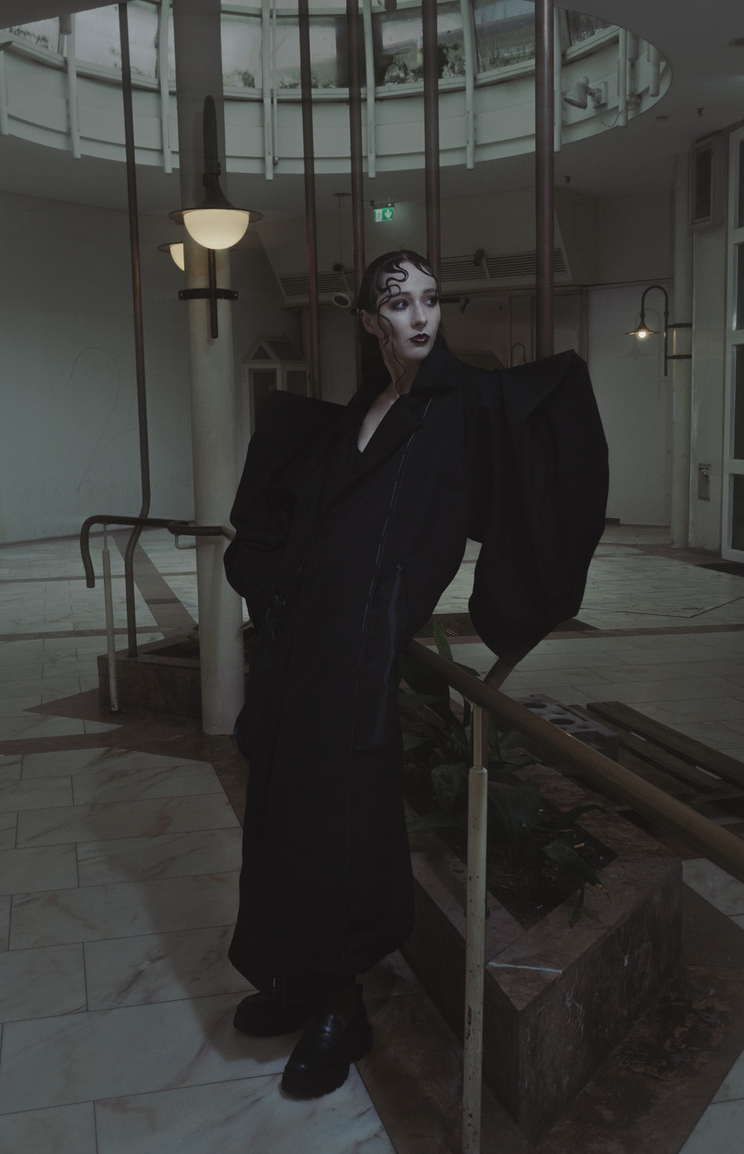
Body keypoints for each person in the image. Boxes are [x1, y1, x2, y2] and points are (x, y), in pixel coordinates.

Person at [223, 249, 608, 1099]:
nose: (421, 315)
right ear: (370, 321)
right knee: (280, 814)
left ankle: (342, 1004)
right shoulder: (362, 411)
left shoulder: (465, 405)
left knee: (341, 827)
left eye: (431, 299)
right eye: (399, 303)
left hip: (360, 654)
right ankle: (293, 976)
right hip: (297, 647)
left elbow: (545, 431)